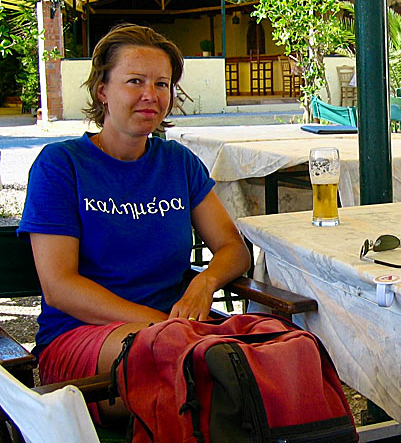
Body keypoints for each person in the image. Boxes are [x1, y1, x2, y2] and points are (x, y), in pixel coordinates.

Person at [18, 24, 251, 423]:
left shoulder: (178, 163)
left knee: (253, 361)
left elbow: (233, 248)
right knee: (210, 375)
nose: (151, 95)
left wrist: (203, 284)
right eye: (135, 81)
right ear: (102, 90)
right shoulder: (62, 165)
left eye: (162, 83)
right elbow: (59, 287)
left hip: (177, 338)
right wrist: (161, 325)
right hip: (82, 338)